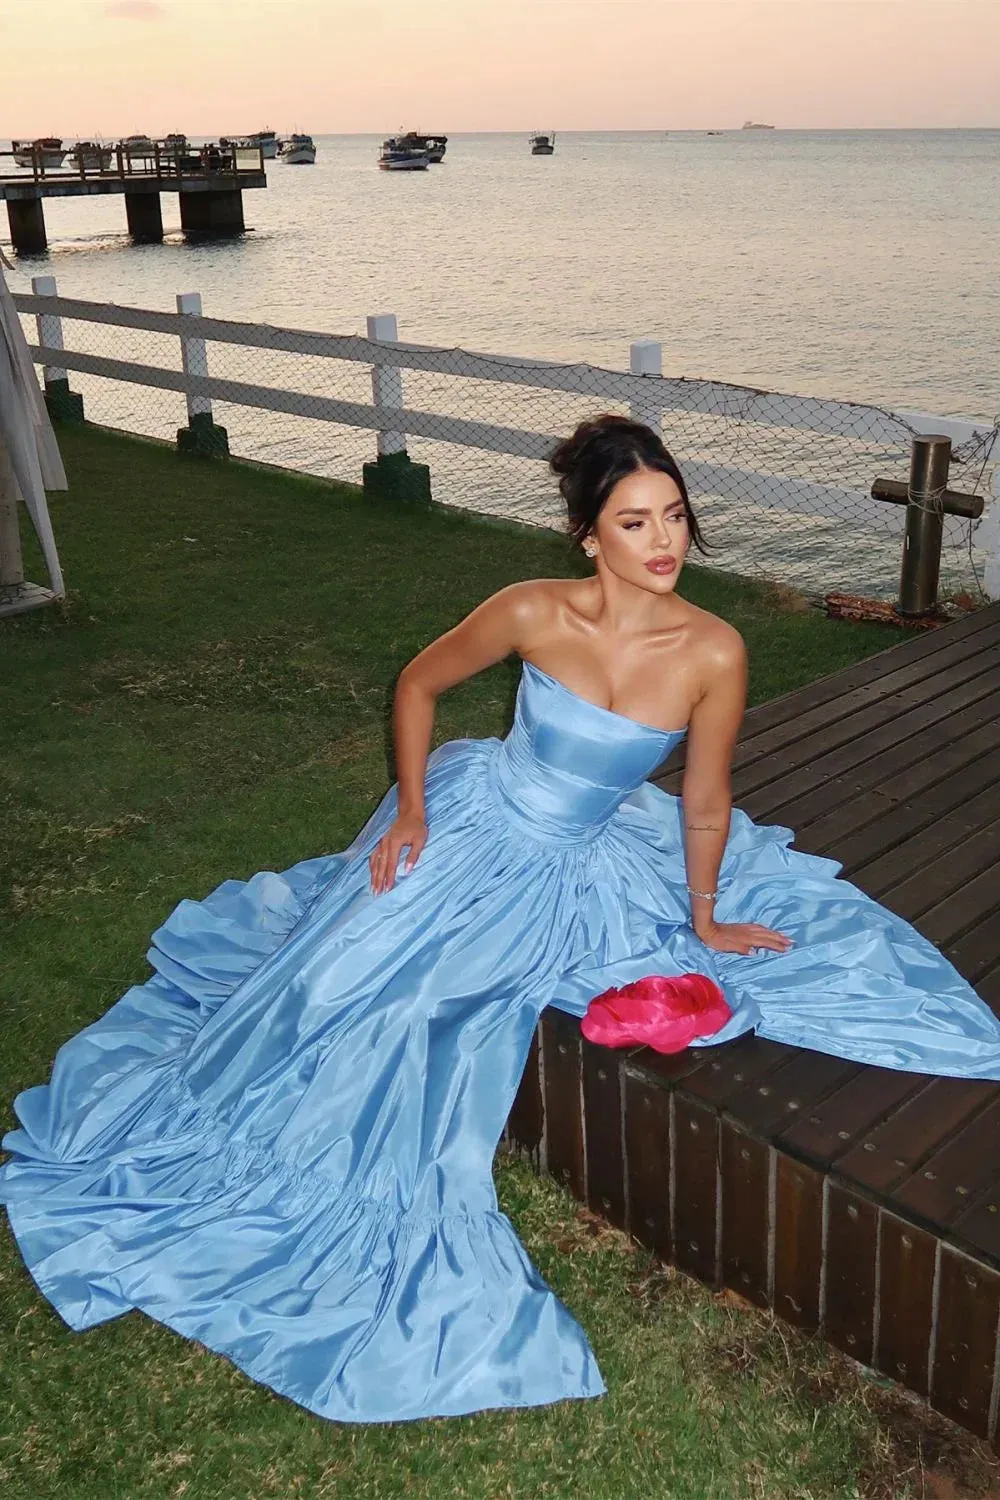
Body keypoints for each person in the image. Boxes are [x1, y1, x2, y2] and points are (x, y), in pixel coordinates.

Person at [3, 415, 999, 1426]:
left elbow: (704, 799)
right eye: (633, 522)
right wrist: (413, 811)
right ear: (588, 535)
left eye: (673, 515)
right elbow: (420, 683)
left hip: (577, 860)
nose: (663, 541)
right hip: (477, 816)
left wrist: (704, 918)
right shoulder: (531, 610)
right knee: (337, 975)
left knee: (434, 1006)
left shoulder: (713, 650)